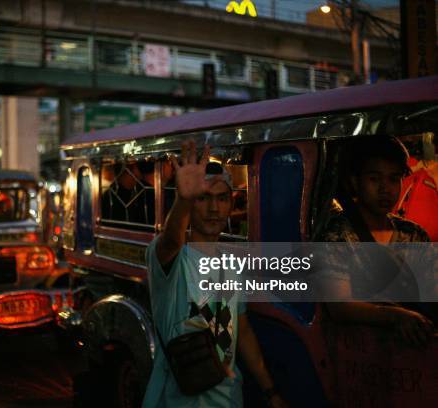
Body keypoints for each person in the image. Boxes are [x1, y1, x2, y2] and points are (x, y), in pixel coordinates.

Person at [143, 140, 287, 408]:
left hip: (228, 397)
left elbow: (241, 331)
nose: (213, 209)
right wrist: (183, 201)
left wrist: (271, 392)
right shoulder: (173, 259)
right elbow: (171, 242)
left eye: (222, 199)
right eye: (203, 198)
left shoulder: (232, 264)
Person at [320, 136, 435, 347]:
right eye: (374, 179)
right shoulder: (338, 235)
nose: (385, 189)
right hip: (358, 355)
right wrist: (395, 316)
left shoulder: (413, 234)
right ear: (355, 181)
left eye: (393, 179)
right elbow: (340, 306)